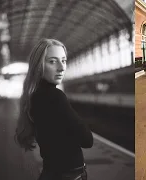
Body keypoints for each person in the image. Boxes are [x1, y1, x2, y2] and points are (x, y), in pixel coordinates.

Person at [15, 38, 93, 180]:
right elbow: (87, 140)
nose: (62, 67)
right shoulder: (55, 96)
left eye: (63, 60)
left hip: (51, 172)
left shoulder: (34, 96)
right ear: (39, 66)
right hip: (69, 175)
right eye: (52, 61)